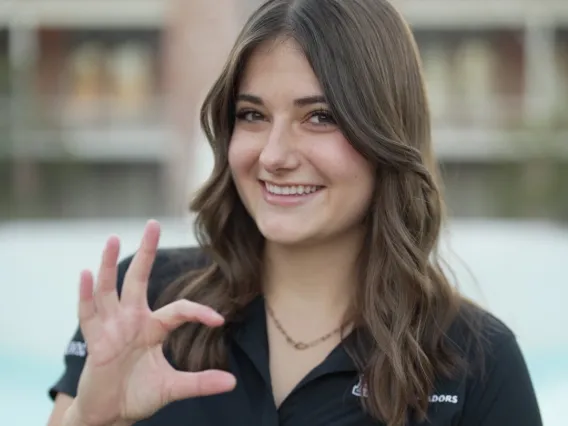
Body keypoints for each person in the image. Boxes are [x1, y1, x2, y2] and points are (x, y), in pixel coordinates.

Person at [46, 0, 543, 425]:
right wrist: (91, 419)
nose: (274, 155)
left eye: (319, 116)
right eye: (253, 115)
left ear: (386, 133)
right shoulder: (150, 302)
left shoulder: (479, 362)